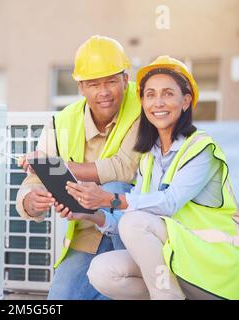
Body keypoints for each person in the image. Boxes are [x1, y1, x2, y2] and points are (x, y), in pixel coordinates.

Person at [64, 56, 239, 300]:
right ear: (143, 102)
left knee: (134, 222)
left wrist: (109, 198)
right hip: (179, 260)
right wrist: (89, 213)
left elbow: (169, 202)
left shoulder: (201, 149)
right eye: (150, 94)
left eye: (168, 94)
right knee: (103, 271)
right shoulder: (149, 157)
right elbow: (129, 216)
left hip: (214, 265)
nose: (158, 102)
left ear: (186, 101)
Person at [15, 35, 142, 300]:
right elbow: (32, 182)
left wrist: (59, 167)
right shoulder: (61, 122)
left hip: (133, 233)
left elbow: (124, 168)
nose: (104, 91)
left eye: (111, 81)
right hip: (87, 231)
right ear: (81, 88)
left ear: (125, 79)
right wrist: (30, 202)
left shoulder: (143, 110)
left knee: (114, 187)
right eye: (94, 84)